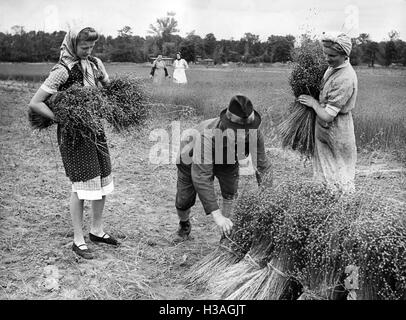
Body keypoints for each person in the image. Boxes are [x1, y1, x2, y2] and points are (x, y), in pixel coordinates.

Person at [28, 25, 119, 259]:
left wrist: (115, 99)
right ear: (72, 45)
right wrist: (62, 119)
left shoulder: (96, 64)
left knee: (102, 178)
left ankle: (96, 230)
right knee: (81, 184)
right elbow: (36, 103)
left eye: (92, 46)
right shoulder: (63, 70)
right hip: (74, 135)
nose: (88, 50)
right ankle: (78, 240)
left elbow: (107, 89)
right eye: (84, 46)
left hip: (95, 130)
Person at [174, 95, 272, 242]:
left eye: (247, 129)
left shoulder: (253, 133)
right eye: (240, 130)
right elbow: (201, 176)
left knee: (230, 193)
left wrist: (269, 198)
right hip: (190, 158)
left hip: (227, 160)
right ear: (227, 125)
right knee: (184, 199)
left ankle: (226, 234)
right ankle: (184, 223)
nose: (245, 133)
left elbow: (263, 166)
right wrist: (217, 216)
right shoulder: (207, 136)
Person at [298, 33, 358, 193]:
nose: (327, 58)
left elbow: (328, 116)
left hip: (337, 131)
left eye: (332, 55)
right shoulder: (333, 68)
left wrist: (313, 103)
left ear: (345, 55)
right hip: (324, 130)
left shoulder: (344, 78)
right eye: (325, 54)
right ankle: (324, 205)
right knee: (325, 172)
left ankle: (343, 211)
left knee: (340, 176)